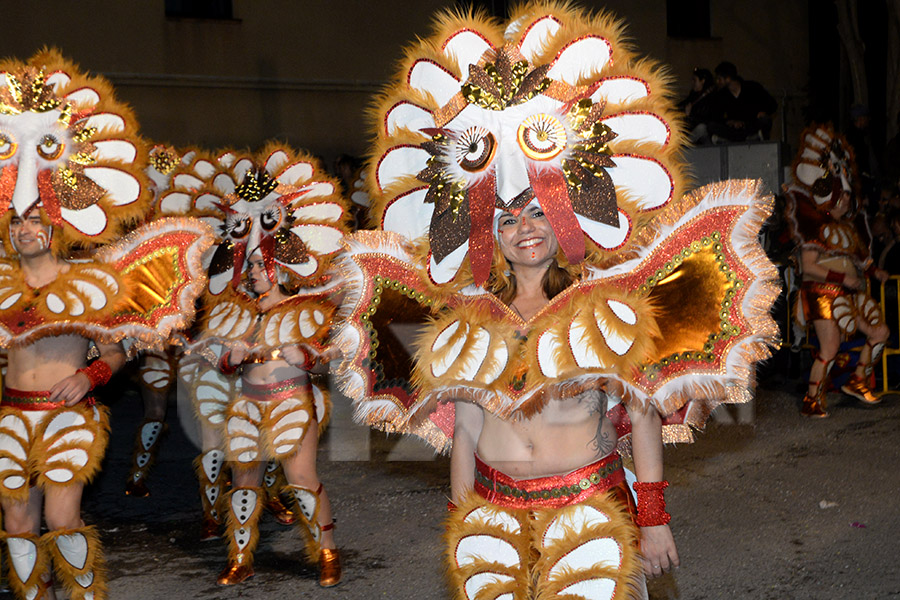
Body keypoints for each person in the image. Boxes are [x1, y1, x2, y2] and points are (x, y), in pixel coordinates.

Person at [331, 4, 780, 598]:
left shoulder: (607, 306)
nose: (526, 228)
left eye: (540, 209)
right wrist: (461, 526)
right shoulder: (467, 321)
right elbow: (466, 431)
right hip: (493, 520)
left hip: (589, 513)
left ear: (565, 215)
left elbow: (641, 411)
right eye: (508, 218)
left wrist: (652, 516)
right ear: (488, 233)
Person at [0, 51, 213, 600]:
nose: (26, 231)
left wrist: (91, 376)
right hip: (10, 415)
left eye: (35, 222)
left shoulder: (87, 284)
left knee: (62, 522)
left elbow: (120, 349)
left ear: (53, 230)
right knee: (18, 527)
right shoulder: (1, 287)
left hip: (68, 412)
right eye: (18, 222)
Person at [167, 146, 349, 587]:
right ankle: (241, 557)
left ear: (280, 266)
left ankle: (327, 551)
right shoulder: (235, 314)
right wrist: (233, 355)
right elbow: (222, 362)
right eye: (247, 264)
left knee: (301, 477)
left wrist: (303, 356)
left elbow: (329, 359)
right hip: (249, 403)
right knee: (244, 480)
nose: (252, 272)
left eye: (260, 264)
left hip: (292, 401)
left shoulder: (307, 309)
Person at [785, 123, 891, 417]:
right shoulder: (812, 225)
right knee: (829, 348)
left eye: (847, 196)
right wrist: (843, 278)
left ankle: (858, 381)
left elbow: (861, 259)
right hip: (822, 294)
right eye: (840, 196)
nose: (846, 199)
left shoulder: (848, 228)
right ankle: (812, 399)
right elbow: (809, 268)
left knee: (880, 332)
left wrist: (874, 272)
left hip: (849, 294)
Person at [707, 61, 777, 143]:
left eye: (719, 79)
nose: (717, 82)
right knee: (711, 126)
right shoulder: (721, 95)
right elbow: (715, 115)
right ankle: (744, 138)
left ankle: (752, 137)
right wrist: (730, 122)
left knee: (765, 120)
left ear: (728, 78)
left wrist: (763, 112)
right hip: (733, 129)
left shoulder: (752, 87)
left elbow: (772, 104)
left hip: (751, 125)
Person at [680, 68, 717, 143]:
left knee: (701, 128)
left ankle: (684, 146)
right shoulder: (693, 96)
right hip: (694, 131)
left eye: (695, 80)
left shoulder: (711, 98)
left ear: (702, 81)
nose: (692, 83)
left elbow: (703, 119)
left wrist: (688, 115)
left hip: (707, 134)